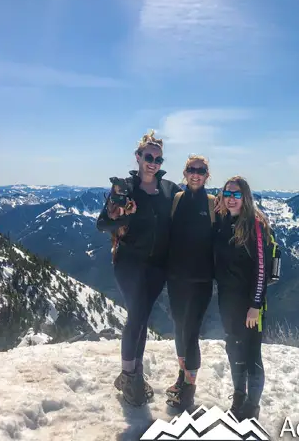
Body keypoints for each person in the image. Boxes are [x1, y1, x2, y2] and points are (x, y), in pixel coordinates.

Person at [96, 130, 180, 406]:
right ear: (138, 157)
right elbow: (103, 224)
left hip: (158, 266)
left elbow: (192, 204)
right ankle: (130, 376)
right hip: (129, 263)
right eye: (148, 156)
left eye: (157, 158)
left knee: (141, 318)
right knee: (137, 315)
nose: (152, 162)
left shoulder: (169, 190)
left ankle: (132, 374)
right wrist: (121, 215)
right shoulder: (124, 189)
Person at [214, 176, 273, 421]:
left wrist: (255, 306)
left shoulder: (255, 225)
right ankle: (239, 397)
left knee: (251, 354)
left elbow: (261, 268)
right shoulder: (223, 221)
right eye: (227, 193)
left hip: (250, 304)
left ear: (245, 197)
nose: (231, 198)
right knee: (233, 348)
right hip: (228, 301)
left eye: (237, 194)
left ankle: (252, 406)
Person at [163, 155, 216, 411]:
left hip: (201, 281)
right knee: (179, 329)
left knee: (191, 333)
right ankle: (182, 377)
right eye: (191, 170)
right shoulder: (177, 201)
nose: (196, 174)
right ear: (185, 173)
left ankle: (189, 390)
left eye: (201, 170)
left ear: (207, 175)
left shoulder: (213, 204)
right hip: (176, 279)